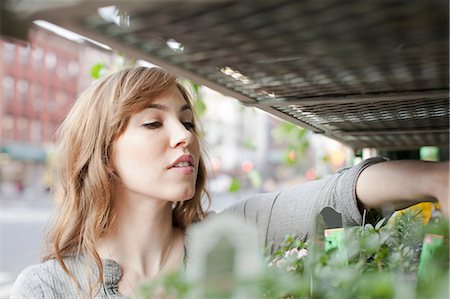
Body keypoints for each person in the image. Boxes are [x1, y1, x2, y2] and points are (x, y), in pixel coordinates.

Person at [10, 66, 449, 298]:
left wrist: (436, 177)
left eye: (186, 121)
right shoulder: (48, 288)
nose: (184, 136)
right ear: (103, 154)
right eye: (151, 123)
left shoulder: (230, 236)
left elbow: (338, 193)